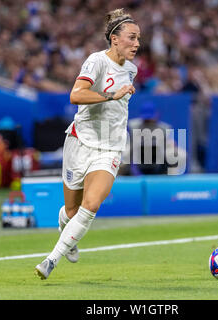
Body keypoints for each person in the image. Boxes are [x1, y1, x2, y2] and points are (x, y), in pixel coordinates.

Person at [35, 8, 140, 280]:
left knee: (91, 205)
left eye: (138, 38)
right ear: (114, 39)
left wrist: (119, 98)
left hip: (111, 147)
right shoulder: (96, 61)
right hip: (80, 142)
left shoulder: (132, 70)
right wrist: (110, 96)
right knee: (71, 210)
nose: (137, 44)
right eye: (131, 38)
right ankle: (66, 230)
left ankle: (51, 260)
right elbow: (76, 95)